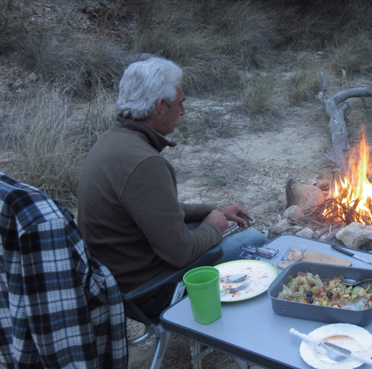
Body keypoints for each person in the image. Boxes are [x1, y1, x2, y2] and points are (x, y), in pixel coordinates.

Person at [78, 57, 267, 316]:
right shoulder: (145, 163)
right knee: (254, 242)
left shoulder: (112, 142)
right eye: (180, 103)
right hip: (149, 291)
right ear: (161, 106)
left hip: (115, 279)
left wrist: (213, 210)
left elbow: (158, 211)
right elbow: (181, 253)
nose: (183, 111)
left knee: (201, 229)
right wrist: (214, 227)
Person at [1, 172, 129, 369]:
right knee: (223, 246)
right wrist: (212, 226)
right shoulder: (37, 217)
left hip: (14, 333)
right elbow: (61, 324)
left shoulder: (9, 199)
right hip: (127, 298)